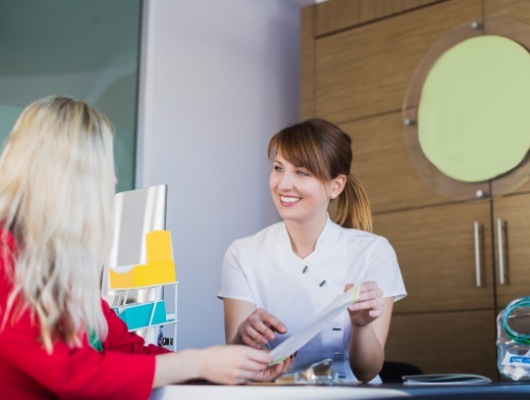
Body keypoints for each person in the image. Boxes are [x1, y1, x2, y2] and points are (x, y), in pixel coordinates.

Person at [0, 96, 291, 400]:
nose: (113, 178)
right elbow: (71, 372)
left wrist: (226, 368)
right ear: (68, 174)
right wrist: (200, 363)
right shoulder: (6, 256)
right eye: (105, 166)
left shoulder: (59, 267)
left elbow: (128, 349)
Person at [219, 118, 406, 383]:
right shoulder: (241, 253)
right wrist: (244, 336)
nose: (283, 184)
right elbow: (236, 365)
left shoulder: (373, 252)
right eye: (278, 168)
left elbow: (367, 370)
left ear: (335, 186)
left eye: (301, 172)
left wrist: (362, 326)